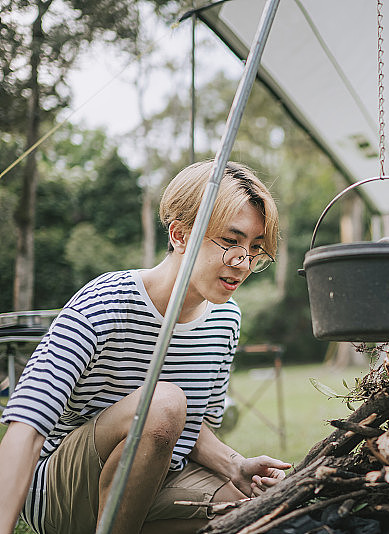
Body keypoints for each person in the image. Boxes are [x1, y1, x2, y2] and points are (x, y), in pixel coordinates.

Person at [0, 160, 292, 534]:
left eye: (254, 249)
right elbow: (27, 427)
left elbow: (193, 428)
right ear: (180, 235)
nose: (243, 262)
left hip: (150, 483)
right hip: (62, 492)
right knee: (165, 402)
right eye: (231, 241)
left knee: (254, 515)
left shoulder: (225, 320)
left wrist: (235, 464)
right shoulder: (105, 303)